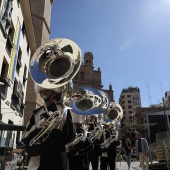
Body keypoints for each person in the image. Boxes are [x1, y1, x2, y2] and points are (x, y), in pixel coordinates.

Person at [22, 86, 75, 170]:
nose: (44, 93)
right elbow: (25, 137)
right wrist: (37, 127)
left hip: (57, 158)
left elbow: (70, 135)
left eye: (47, 90)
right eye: (42, 91)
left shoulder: (63, 110)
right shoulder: (36, 113)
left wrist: (55, 136)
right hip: (38, 159)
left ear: (53, 93)